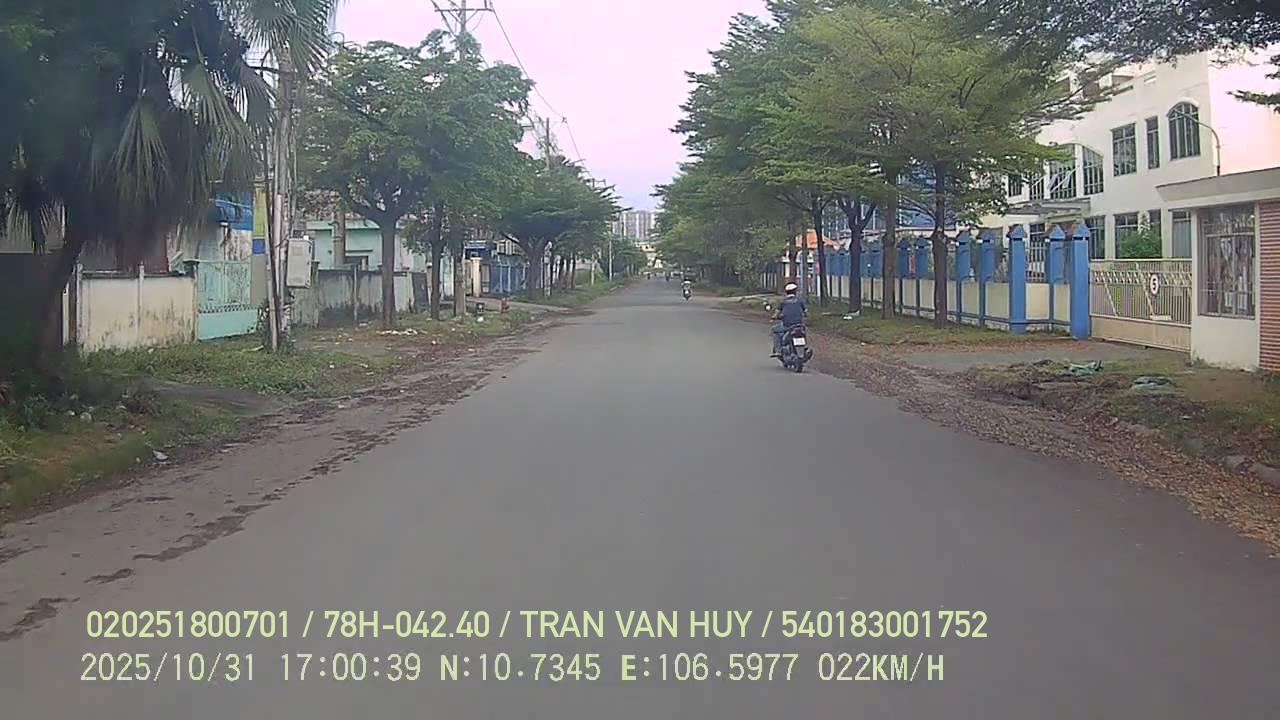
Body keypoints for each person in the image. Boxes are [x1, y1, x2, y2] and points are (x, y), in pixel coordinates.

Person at [771, 283, 806, 357]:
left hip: (787, 325)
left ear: (786, 292)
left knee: (774, 330)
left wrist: (774, 317)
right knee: (803, 332)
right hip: (799, 324)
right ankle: (804, 347)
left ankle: (778, 350)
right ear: (795, 291)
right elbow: (805, 311)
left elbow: (777, 312)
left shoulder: (783, 301)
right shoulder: (800, 300)